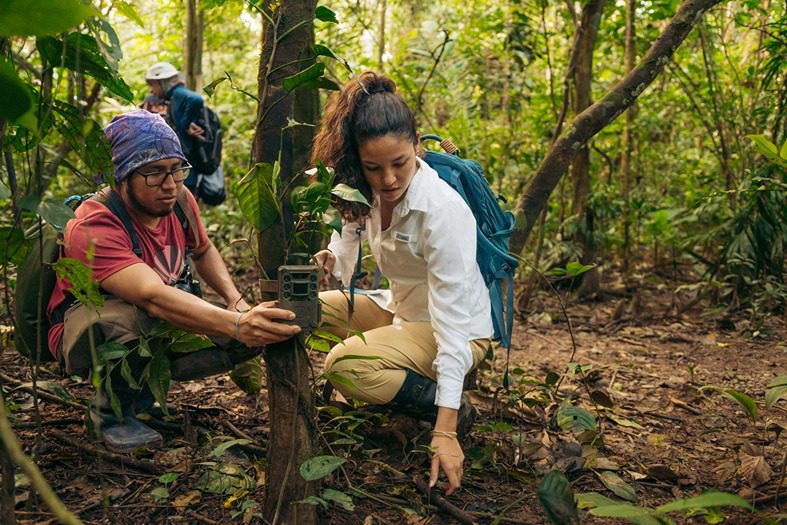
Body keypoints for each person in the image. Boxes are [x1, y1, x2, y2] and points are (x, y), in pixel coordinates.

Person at [46, 109, 301, 452]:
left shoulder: (179, 199)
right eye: (152, 173)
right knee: (136, 320)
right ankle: (110, 415)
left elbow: (203, 248)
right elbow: (150, 296)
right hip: (89, 328)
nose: (169, 185)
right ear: (120, 176)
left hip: (156, 310)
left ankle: (144, 398)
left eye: (176, 170)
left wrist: (234, 301)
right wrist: (237, 323)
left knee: (241, 339)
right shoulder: (93, 225)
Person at [312, 72, 493, 496]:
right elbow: (349, 242)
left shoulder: (440, 211)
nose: (389, 180)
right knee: (310, 309)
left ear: (417, 146)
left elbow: (450, 326)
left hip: (459, 330)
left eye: (400, 164)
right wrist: (332, 257)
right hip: (401, 308)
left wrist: (446, 432)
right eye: (374, 168)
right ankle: (395, 371)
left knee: (344, 366)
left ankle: (448, 407)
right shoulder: (364, 192)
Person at [144, 61, 207, 196]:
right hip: (181, 166)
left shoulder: (178, 93)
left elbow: (197, 99)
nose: (151, 90)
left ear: (162, 82)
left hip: (185, 164)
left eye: (153, 85)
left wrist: (183, 125)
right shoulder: (172, 98)